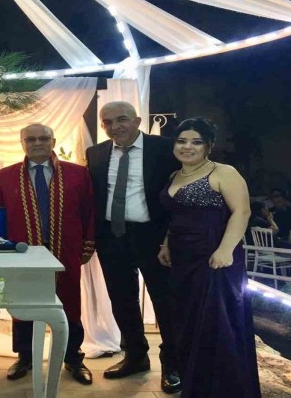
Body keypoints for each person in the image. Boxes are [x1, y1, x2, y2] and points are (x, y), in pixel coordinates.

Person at [158, 118, 260, 398]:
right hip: (181, 261)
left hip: (213, 258)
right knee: (188, 323)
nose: (187, 147)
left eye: (196, 141)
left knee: (215, 324)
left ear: (209, 146)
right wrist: (166, 244)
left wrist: (225, 250)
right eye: (181, 141)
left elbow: (242, 212)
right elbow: (176, 216)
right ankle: (195, 386)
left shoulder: (223, 172)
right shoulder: (175, 175)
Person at [85, 101, 181, 394]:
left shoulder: (165, 148)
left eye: (122, 119)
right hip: (112, 237)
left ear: (137, 120)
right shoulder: (96, 153)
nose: (115, 127)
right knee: (122, 300)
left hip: (154, 238)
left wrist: (171, 238)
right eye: (108, 122)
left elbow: (180, 192)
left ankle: (173, 363)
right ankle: (136, 356)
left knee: (166, 301)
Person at [0, 123, 95, 385]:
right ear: (22, 143)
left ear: (53, 141)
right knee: (23, 302)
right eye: (31, 139)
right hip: (22, 251)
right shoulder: (5, 176)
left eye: (43, 138)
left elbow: (89, 211)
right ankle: (25, 357)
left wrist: (88, 243)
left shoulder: (77, 174)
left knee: (70, 302)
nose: (37, 143)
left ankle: (73, 358)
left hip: (65, 248)